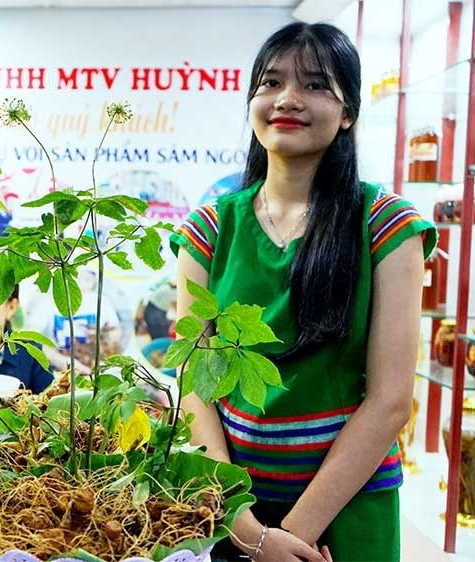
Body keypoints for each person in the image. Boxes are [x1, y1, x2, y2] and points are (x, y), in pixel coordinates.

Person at [170, 22, 436, 562]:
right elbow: (193, 383)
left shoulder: (386, 225)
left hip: (347, 508)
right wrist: (246, 527)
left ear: (348, 113)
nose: (288, 99)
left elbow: (390, 401)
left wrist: (294, 533)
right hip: (227, 505)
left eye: (316, 85)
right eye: (270, 83)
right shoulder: (210, 229)